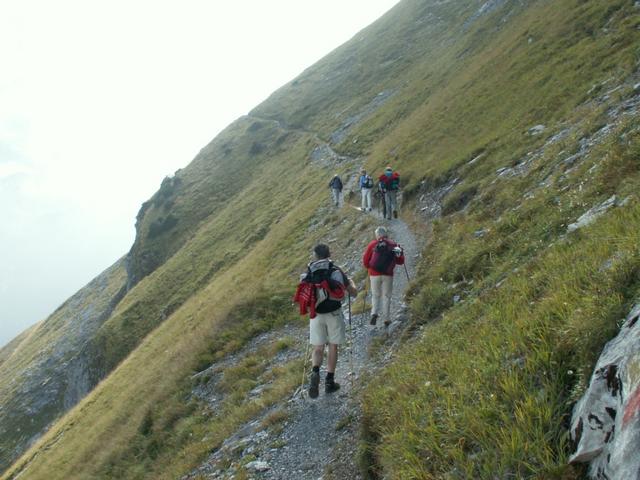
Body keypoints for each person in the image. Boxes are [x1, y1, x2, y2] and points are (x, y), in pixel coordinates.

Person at [293, 244, 357, 398]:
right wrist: (352, 282)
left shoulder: (307, 274)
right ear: (329, 254)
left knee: (318, 347)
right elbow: (353, 293)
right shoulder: (336, 271)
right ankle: (329, 381)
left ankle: (315, 371)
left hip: (316, 314)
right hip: (334, 312)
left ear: (315, 256)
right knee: (333, 346)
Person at [362, 226, 405, 327]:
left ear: (377, 235)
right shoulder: (394, 244)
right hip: (388, 275)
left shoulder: (372, 244)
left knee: (376, 295)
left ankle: (374, 313)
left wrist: (370, 267)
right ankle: (386, 318)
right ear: (386, 234)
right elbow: (401, 261)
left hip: (374, 274)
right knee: (387, 296)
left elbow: (365, 261)